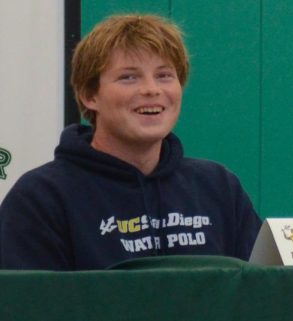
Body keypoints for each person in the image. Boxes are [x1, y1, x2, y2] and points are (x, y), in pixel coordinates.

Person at [0, 14, 262, 270]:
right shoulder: (41, 197)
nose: (151, 89)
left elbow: (262, 295)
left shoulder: (219, 187)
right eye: (129, 77)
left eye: (164, 76)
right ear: (90, 95)